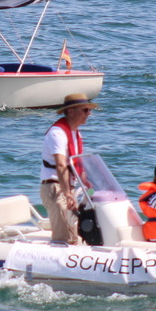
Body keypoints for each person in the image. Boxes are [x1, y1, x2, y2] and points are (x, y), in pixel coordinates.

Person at [40, 93, 97, 244]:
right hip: (55, 188)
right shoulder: (57, 133)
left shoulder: (76, 134)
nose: (89, 114)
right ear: (71, 111)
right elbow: (60, 165)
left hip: (68, 189)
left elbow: (76, 164)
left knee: (74, 238)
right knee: (62, 238)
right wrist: (67, 194)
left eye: (89, 110)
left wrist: (89, 185)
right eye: (85, 110)